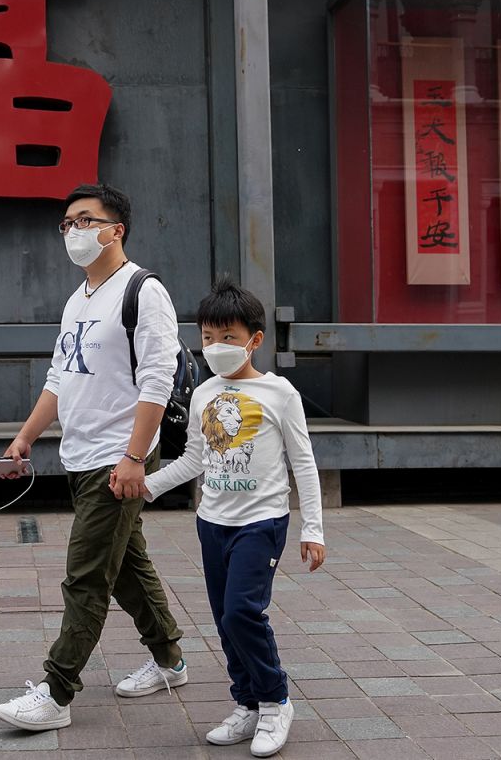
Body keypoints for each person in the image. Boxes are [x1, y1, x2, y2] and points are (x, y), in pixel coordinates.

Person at [0, 183, 188, 732]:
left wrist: (133, 457)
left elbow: (156, 380)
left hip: (115, 457)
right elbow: (61, 376)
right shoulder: (78, 299)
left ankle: (57, 692)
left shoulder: (143, 291)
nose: (73, 231)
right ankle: (171, 659)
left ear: (115, 229)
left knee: (85, 575)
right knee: (125, 567)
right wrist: (27, 436)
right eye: (67, 223)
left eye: (85, 220)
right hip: (80, 455)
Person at [140, 277, 325, 758]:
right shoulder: (203, 394)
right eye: (207, 338)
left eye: (228, 337)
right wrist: (148, 486)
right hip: (212, 522)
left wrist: (314, 529)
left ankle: (275, 699)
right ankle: (246, 703)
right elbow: (194, 460)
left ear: (254, 340)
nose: (216, 347)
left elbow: (303, 461)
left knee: (244, 611)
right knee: (225, 620)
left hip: (262, 522)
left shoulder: (280, 393)